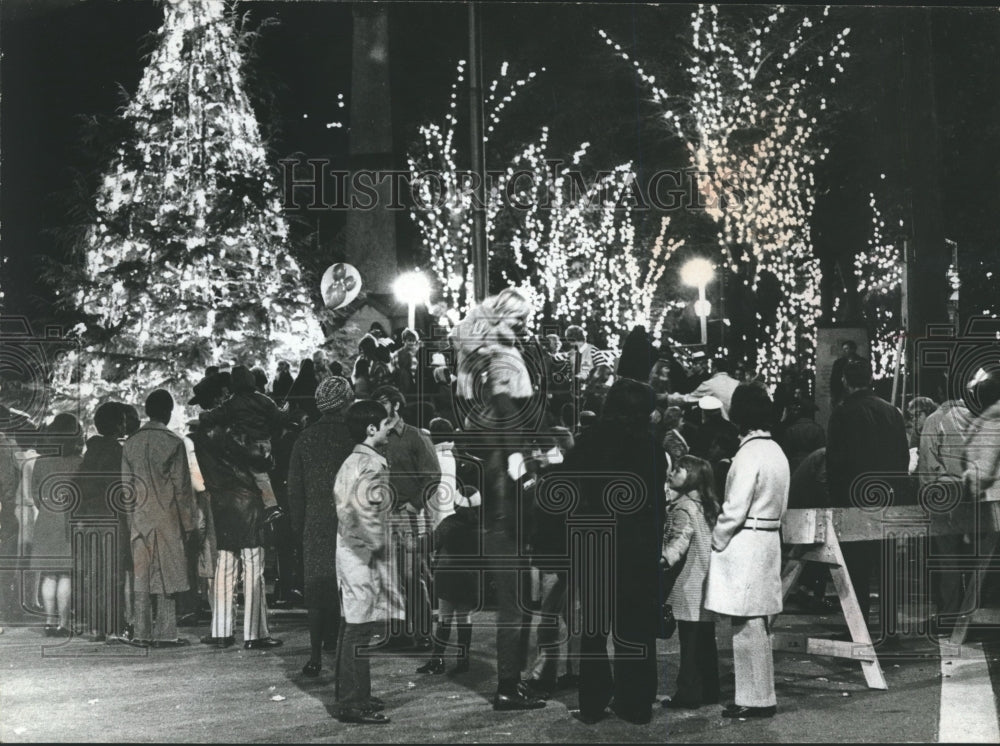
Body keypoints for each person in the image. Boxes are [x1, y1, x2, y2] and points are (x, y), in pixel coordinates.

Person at [563, 378, 666, 725]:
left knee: (593, 631)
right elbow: (656, 507)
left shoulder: (588, 443)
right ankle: (635, 703)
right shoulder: (650, 448)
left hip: (594, 545)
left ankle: (592, 702)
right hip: (636, 550)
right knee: (635, 629)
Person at [704, 383, 789, 719]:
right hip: (768, 538)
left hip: (746, 538)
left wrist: (718, 539)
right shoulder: (776, 452)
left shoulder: (748, 454)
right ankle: (759, 694)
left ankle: (754, 699)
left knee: (746, 625)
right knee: (758, 623)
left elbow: (734, 506)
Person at [191, 376, 281, 651]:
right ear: (223, 395)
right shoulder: (236, 431)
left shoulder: (198, 436)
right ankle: (255, 634)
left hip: (220, 503)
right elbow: (257, 460)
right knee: (254, 569)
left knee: (224, 567)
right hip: (248, 503)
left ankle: (221, 631)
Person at [333, 399, 404, 725]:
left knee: (355, 627)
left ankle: (357, 694)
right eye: (388, 423)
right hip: (361, 555)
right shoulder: (371, 465)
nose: (393, 428)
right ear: (371, 429)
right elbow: (360, 511)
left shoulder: (354, 461)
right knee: (358, 631)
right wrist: (379, 544)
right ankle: (352, 702)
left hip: (351, 552)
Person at [825, 358, 909, 634]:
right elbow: (902, 458)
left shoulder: (842, 413)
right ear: (870, 379)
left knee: (856, 570)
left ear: (846, 382)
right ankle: (889, 629)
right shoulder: (892, 412)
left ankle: (858, 630)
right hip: (887, 499)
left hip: (853, 501)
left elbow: (836, 464)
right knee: (886, 568)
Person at [286, 376, 355, 676]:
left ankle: (315, 655)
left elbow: (294, 490)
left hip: (314, 522)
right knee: (345, 588)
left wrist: (300, 525)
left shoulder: (305, 438)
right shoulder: (352, 438)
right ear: (347, 402)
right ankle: (341, 652)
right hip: (347, 521)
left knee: (316, 589)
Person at [122, 390, 197, 647]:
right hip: (167, 518)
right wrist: (190, 525)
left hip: (139, 519)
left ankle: (141, 633)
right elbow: (182, 489)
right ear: (168, 412)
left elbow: (125, 488)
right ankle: (166, 634)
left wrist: (132, 520)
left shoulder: (130, 443)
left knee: (141, 576)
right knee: (167, 576)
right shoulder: (173, 442)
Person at [371, 384, 441, 648]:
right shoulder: (377, 437)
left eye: (383, 401)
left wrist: (414, 505)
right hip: (383, 514)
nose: (379, 406)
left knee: (412, 576)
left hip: (406, 515)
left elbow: (433, 476)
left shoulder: (414, 437)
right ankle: (398, 634)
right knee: (389, 576)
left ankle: (423, 634)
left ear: (396, 405)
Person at [660, 455, 721, 711]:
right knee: (706, 642)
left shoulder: (684, 508)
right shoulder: (709, 507)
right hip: (707, 583)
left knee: (690, 645)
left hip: (689, 585)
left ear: (693, 476)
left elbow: (680, 540)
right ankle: (710, 690)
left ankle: (688, 693)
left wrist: (663, 559)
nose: (672, 472)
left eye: (679, 469)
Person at [198, 365, 288, 520]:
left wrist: (204, 416)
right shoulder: (264, 399)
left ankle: (271, 506)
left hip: (245, 445)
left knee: (258, 474)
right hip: (264, 444)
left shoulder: (233, 403)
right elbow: (279, 417)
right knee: (261, 474)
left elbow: (217, 415)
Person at [73, 402, 128, 641]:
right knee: (113, 574)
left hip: (89, 519)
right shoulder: (116, 450)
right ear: (117, 424)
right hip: (111, 519)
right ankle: (113, 628)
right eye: (123, 420)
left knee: (94, 575)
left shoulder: (90, 451)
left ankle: (95, 628)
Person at [417, 486, 481, 676]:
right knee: (464, 618)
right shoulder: (480, 527)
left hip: (448, 577)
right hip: (469, 579)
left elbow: (428, 544)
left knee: (445, 617)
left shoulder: (448, 524)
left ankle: (437, 660)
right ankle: (463, 661)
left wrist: (409, 542)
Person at [31, 413, 85, 637]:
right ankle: (64, 624)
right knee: (66, 575)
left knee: (48, 575)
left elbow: (36, 495)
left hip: (45, 521)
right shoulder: (79, 462)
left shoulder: (40, 462)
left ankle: (49, 621)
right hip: (68, 522)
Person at [778, 399, 826, 475]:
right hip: (812, 468)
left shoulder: (791, 430)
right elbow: (822, 452)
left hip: (794, 468)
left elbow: (786, 453)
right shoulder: (818, 430)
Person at [830, 339, 866, 408]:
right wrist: (833, 396)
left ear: (853, 349)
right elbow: (833, 381)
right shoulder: (838, 363)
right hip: (841, 394)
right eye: (843, 349)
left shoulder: (862, 362)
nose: (844, 351)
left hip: (858, 394)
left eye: (846, 349)